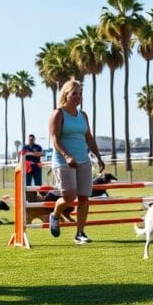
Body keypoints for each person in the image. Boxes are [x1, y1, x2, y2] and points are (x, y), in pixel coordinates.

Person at [48, 79, 105, 244]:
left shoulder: (83, 115)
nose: (78, 97)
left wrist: (98, 156)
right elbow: (55, 139)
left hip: (83, 161)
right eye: (75, 93)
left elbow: (88, 137)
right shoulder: (58, 114)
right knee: (69, 197)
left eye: (80, 93)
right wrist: (67, 156)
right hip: (63, 161)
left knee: (84, 198)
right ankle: (55, 214)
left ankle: (80, 233)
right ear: (66, 94)